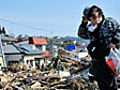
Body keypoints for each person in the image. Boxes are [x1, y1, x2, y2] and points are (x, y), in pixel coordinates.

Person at [78, 5, 120, 90]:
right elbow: (81, 34)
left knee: (111, 83)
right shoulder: (91, 28)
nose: (93, 22)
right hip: (97, 60)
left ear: (100, 15)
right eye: (90, 20)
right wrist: (84, 23)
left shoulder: (109, 22)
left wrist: (114, 42)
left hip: (109, 58)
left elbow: (119, 31)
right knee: (101, 83)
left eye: (94, 19)